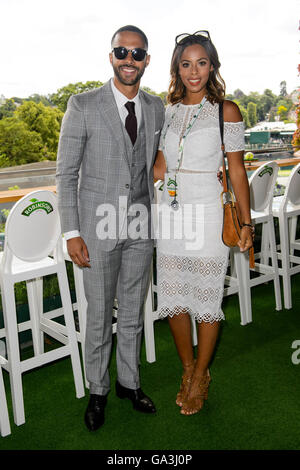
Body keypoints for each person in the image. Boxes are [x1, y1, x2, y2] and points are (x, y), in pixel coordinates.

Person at [56, 25, 165, 431]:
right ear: (111, 56)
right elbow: (65, 175)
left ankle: (128, 383)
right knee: (100, 315)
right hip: (96, 231)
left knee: (133, 311)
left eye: (137, 54)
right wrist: (72, 233)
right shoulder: (83, 104)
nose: (129, 60)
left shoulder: (155, 108)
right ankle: (98, 390)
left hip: (140, 224)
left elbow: (155, 159)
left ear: (147, 60)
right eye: (122, 52)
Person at [153, 31, 253, 416]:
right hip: (171, 213)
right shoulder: (169, 110)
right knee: (175, 298)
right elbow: (161, 166)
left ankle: (202, 376)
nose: (194, 72)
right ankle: (188, 369)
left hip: (210, 213)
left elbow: (237, 171)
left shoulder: (226, 110)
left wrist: (246, 223)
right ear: (177, 69)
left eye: (201, 63)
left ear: (212, 66)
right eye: (185, 63)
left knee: (206, 300)